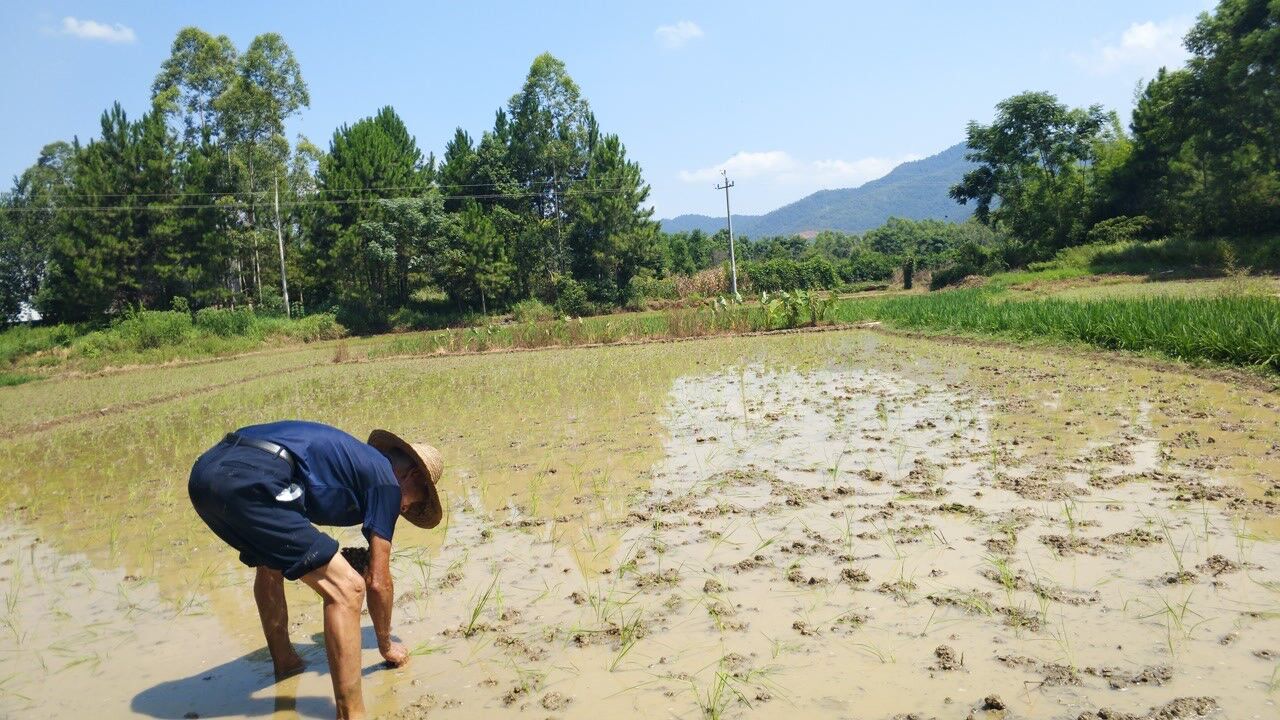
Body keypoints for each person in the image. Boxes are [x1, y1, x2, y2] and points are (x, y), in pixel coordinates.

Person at [188, 421, 444, 719]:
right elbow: (378, 581)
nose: (405, 509)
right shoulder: (388, 483)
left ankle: (286, 663)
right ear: (412, 476)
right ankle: (352, 715)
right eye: (415, 501)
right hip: (254, 477)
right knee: (348, 588)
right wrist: (386, 646)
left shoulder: (358, 464)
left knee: (270, 565)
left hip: (206, 475)